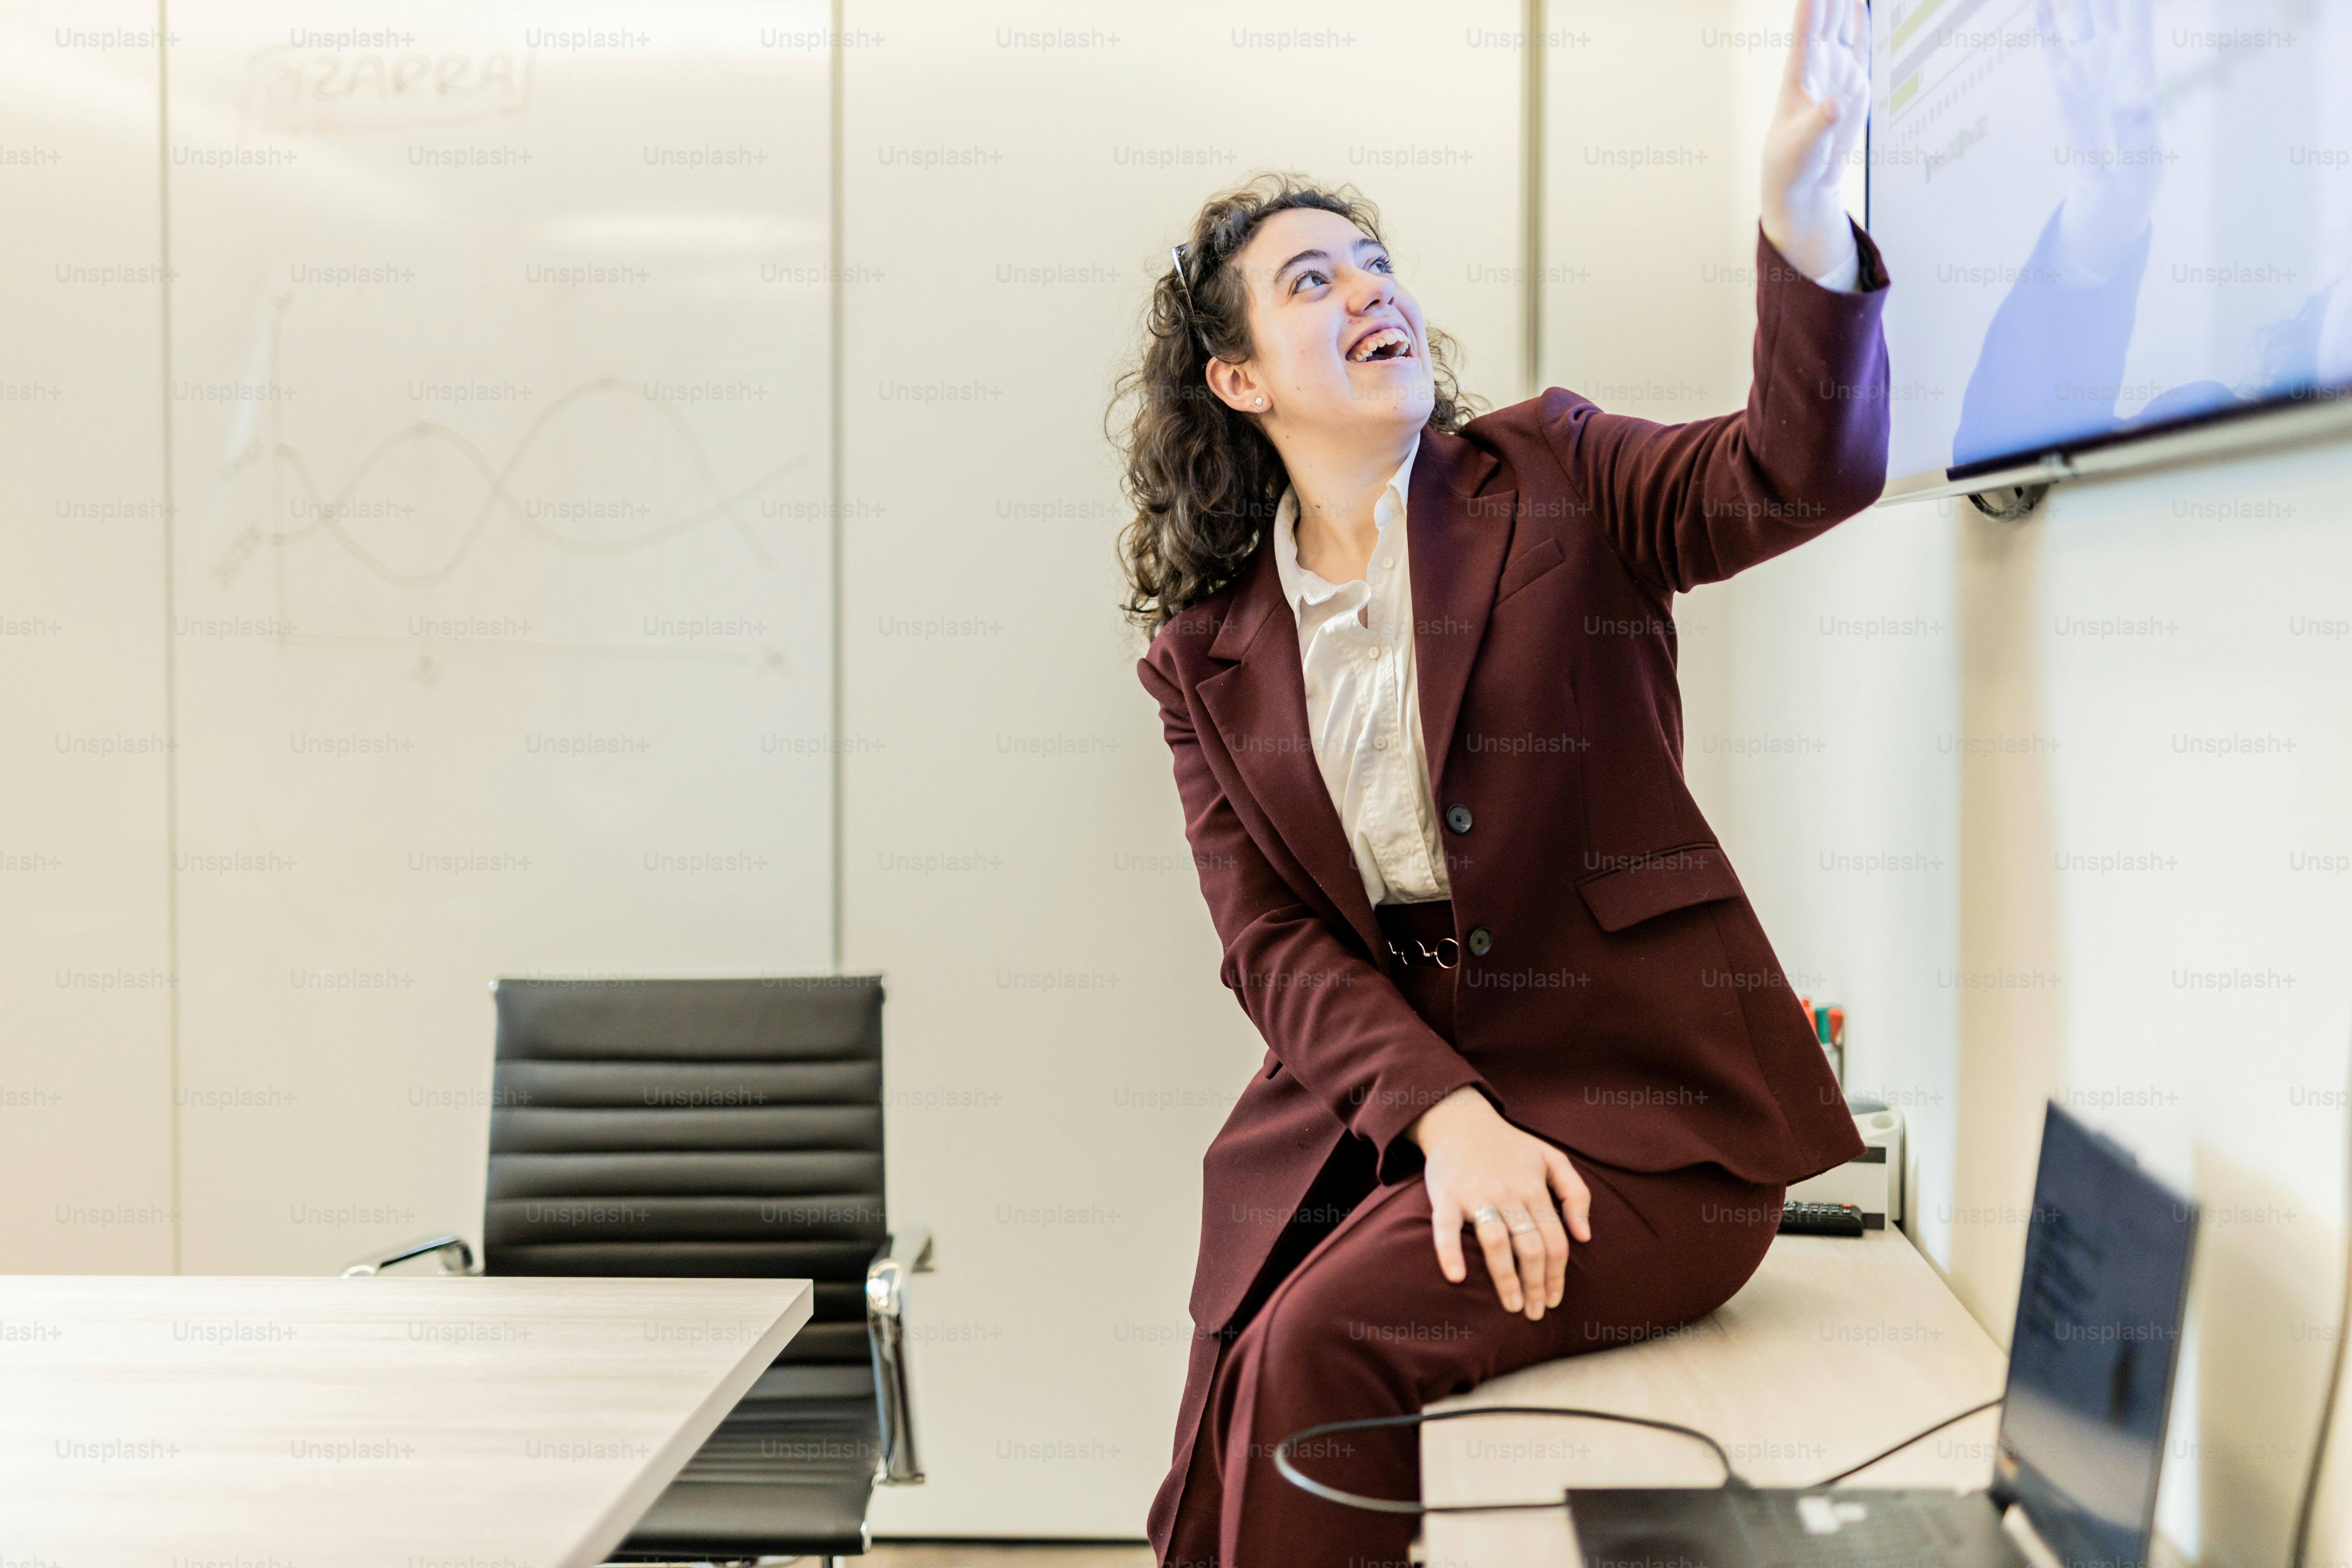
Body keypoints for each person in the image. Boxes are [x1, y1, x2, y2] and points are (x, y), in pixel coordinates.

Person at [1109, 3, 1887, 1563]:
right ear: (1241, 382)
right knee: (1230, 1409)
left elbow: (1798, 473)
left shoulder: (1559, 476)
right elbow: (1274, 946)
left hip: (1645, 1125)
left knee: (1320, 1352)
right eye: (1310, 281)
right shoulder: (1207, 650)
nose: (1369, 289)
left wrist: (1801, 208)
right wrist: (1445, 1114)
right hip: (1381, 1118)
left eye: (1375, 262)